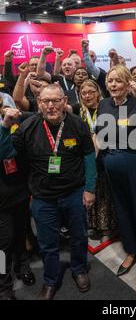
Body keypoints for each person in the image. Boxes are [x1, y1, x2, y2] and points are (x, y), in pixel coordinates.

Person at [0, 84, 97, 300]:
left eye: (55, 100)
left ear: (64, 101)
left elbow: (89, 157)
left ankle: (79, 270)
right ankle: (51, 279)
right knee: (47, 243)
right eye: (46, 101)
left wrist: (90, 189)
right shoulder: (29, 126)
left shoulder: (77, 124)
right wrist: (5, 128)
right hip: (43, 198)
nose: (51, 106)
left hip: (74, 193)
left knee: (79, 237)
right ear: (39, 103)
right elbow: (6, 152)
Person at [95, 65, 136, 287]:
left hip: (135, 162)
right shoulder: (103, 104)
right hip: (111, 164)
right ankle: (131, 251)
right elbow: (98, 134)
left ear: (127, 83)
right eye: (110, 81)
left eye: (118, 81)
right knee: (121, 210)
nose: (112, 85)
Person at [0, 98, 35, 300]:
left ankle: (23, 267)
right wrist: (5, 125)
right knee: (3, 242)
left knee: (21, 233)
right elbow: (5, 152)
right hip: (1, 198)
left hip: (19, 189)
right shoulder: (6, 122)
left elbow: (36, 117)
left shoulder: (13, 115)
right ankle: (3, 284)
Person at [78, 79, 117, 240]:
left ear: (97, 93)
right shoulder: (79, 112)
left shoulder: (106, 109)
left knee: (106, 192)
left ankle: (107, 226)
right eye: (84, 93)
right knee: (91, 189)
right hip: (87, 158)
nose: (87, 96)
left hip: (105, 156)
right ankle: (94, 224)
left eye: (91, 92)